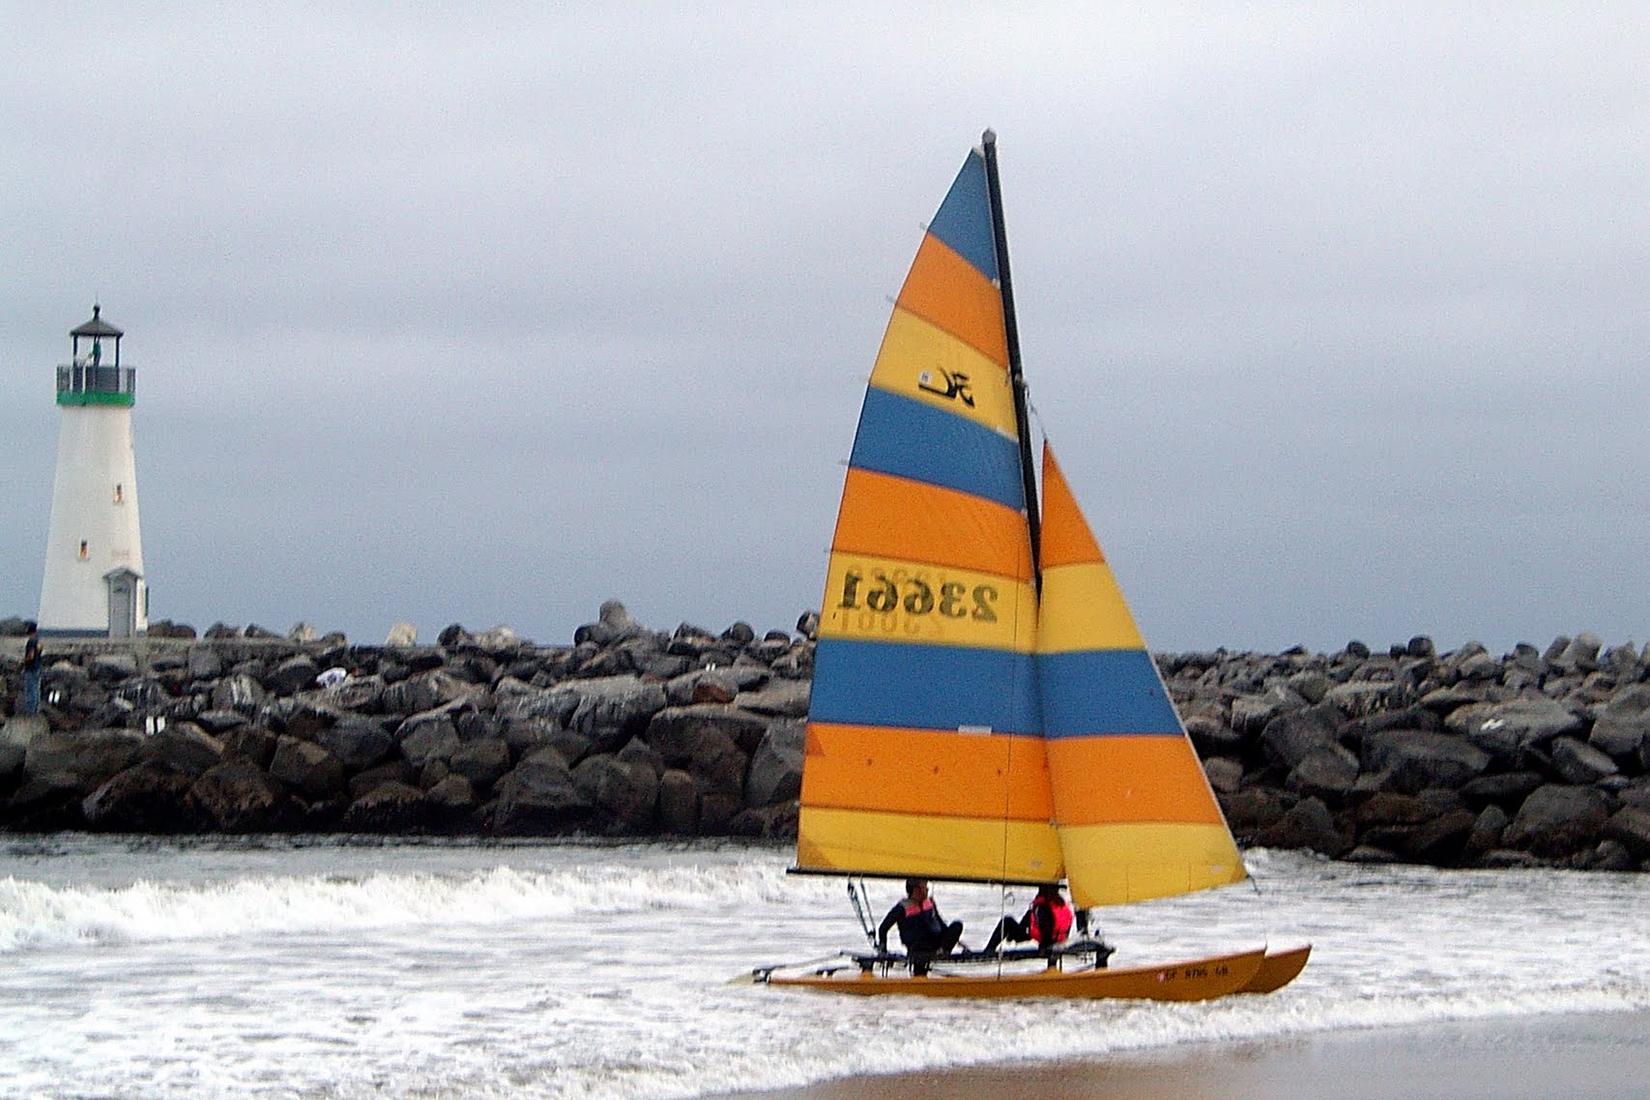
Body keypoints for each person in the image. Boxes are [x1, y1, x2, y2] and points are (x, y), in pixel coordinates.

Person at [876, 878, 964, 973]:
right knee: (920, 956)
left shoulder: (929, 903)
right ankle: (919, 979)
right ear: (916, 890)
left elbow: (941, 925)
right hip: (918, 948)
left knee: (957, 925)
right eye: (925, 887)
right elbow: (883, 928)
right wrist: (883, 950)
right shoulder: (902, 908)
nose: (927, 889)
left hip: (936, 943)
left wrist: (952, 939)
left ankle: (941, 952)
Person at [981, 883, 1074, 957]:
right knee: (1030, 913)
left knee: (1007, 921)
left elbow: (1046, 931)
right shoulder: (1061, 904)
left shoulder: (1043, 907)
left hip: (1044, 942)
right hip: (1059, 940)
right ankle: (1010, 937)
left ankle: (988, 952)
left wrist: (1044, 950)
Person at [21, 620, 42, 716]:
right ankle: (36, 710)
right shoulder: (38, 641)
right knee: (37, 690)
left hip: (31, 668)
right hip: (38, 667)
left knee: (30, 690)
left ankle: (30, 712)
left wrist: (23, 661)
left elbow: (31, 656)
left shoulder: (31, 641)